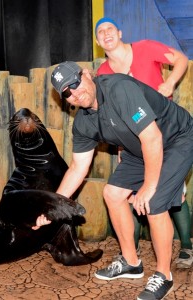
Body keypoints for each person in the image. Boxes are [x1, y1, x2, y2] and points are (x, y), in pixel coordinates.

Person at [48, 61, 193, 300]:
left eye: (74, 83)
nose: (74, 92)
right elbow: (77, 168)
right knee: (112, 194)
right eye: (66, 92)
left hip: (177, 139)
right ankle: (131, 262)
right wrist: (52, 207)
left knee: (154, 201)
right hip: (141, 149)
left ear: (86, 75)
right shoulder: (83, 123)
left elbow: (153, 138)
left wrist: (148, 186)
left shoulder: (119, 89)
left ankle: (164, 275)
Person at [95, 17, 192, 269]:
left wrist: (170, 82)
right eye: (99, 32)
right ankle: (131, 253)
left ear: (119, 32)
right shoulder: (102, 74)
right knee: (126, 194)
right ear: (97, 41)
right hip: (135, 142)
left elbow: (180, 59)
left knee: (172, 193)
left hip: (168, 133)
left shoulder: (145, 48)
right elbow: (113, 116)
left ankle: (186, 247)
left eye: (109, 29)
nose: (105, 34)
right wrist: (119, 147)